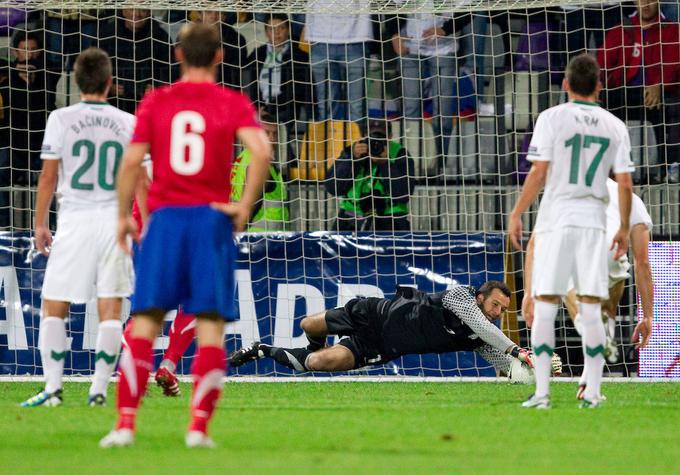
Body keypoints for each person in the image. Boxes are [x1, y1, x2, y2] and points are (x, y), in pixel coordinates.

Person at [99, 23, 271, 449]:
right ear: (219, 56)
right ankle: (197, 429)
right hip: (211, 220)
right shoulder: (232, 101)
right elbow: (262, 151)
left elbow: (132, 161)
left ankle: (124, 425)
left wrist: (123, 215)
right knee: (210, 327)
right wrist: (243, 206)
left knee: (144, 323)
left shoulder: (158, 101)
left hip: (165, 220)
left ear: (177, 54)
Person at [509, 54, 634, 409]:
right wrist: (623, 226)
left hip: (556, 219)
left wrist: (517, 212)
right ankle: (592, 393)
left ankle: (543, 393)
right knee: (592, 307)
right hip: (594, 221)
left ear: (565, 85)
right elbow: (624, 182)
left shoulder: (551, 118)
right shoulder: (614, 125)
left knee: (545, 304)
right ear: (599, 85)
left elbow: (538, 173)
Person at [20, 48, 135, 408]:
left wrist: (39, 222)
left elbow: (48, 176)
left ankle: (53, 389)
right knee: (110, 309)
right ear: (109, 82)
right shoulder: (128, 122)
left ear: (75, 81)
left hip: (74, 219)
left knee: (54, 304)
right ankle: (99, 391)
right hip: (114, 220)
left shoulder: (60, 118)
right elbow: (142, 179)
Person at [229, 281, 561, 377]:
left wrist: (538, 369)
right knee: (307, 323)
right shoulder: (461, 296)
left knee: (316, 364)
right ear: (480, 297)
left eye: (503, 311)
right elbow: (482, 326)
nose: (497, 314)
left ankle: (261, 350)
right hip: (374, 313)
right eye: (495, 306)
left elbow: (504, 363)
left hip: (381, 347)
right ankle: (312, 346)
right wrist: (519, 349)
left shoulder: (479, 337)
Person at [522, 178, 654, 397]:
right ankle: (589, 384)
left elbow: (535, 244)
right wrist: (648, 315)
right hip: (613, 253)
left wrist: (528, 293)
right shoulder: (631, 198)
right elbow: (643, 263)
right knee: (605, 315)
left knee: (583, 313)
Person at [597, 0, 680, 183]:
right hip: (623, 92)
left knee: (662, 109)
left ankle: (665, 167)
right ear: (635, 2)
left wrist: (660, 85)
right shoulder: (621, 29)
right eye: (642, 0)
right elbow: (602, 61)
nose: (646, 4)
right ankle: (607, 168)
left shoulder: (671, 29)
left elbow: (674, 65)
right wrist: (596, 84)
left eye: (650, 0)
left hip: (657, 94)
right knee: (602, 107)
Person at [325, 119, 415, 231]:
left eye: (381, 137)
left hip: (390, 217)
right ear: (364, 135)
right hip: (352, 216)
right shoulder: (353, 151)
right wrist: (352, 159)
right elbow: (332, 188)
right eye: (372, 136)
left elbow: (403, 195)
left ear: (390, 136)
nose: (376, 141)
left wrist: (385, 163)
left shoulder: (400, 153)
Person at [99, 9, 175, 114]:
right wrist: (108, 86)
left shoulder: (160, 36)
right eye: (132, 9)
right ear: (124, 11)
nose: (137, 14)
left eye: (142, 10)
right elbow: (94, 68)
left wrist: (156, 86)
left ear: (149, 13)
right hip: (112, 103)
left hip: (150, 104)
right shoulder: (105, 35)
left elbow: (170, 70)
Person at [248, 13, 311, 132]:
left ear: (288, 30)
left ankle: (283, 150)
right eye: (272, 29)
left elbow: (297, 90)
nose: (276, 33)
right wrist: (259, 108)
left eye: (281, 28)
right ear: (266, 32)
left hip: (285, 108)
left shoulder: (298, 55)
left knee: (274, 133)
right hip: (260, 108)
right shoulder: (258, 54)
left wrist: (270, 108)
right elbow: (251, 85)